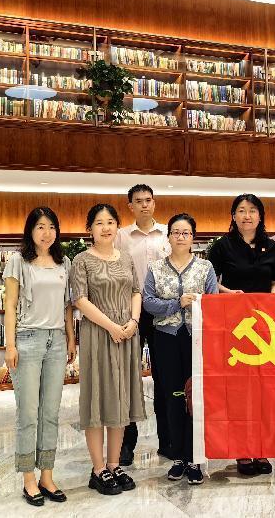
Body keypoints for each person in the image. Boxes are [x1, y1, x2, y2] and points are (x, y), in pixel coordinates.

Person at [3, 207, 77, 506]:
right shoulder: (18, 262)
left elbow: (68, 305)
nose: (47, 233)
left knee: (50, 412)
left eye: (51, 227)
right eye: (40, 227)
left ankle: (47, 475)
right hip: (28, 340)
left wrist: (71, 338)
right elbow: (10, 306)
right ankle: (28, 479)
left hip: (57, 341)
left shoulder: (64, 262)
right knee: (28, 413)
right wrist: (10, 345)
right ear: (30, 231)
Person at [71, 203, 147, 495]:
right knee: (98, 398)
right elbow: (80, 299)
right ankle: (98, 469)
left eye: (111, 222)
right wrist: (112, 327)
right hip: (98, 333)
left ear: (117, 226)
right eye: (99, 223)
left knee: (120, 399)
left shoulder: (126, 257)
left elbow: (136, 291)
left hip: (126, 332)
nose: (106, 228)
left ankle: (114, 465)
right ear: (90, 229)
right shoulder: (81, 260)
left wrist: (133, 321)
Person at [208, 193, 275, 476]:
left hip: (266, 326)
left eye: (252, 210)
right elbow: (210, 282)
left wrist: (268, 302)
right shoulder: (222, 246)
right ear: (233, 216)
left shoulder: (270, 246)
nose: (247, 215)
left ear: (260, 216)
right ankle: (242, 450)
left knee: (265, 392)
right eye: (241, 210)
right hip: (234, 327)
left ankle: (262, 449)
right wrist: (231, 294)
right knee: (239, 392)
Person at [143, 213, 219, 485]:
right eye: (176, 232)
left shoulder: (205, 267)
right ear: (169, 237)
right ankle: (177, 456)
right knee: (172, 395)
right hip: (166, 339)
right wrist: (177, 303)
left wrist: (197, 302)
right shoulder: (155, 268)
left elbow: (213, 302)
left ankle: (195, 457)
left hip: (196, 339)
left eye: (186, 233)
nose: (180, 237)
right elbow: (148, 303)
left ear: (193, 237)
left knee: (195, 397)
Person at [115, 184, 172, 464]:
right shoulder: (121, 236)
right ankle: (127, 443)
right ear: (131, 206)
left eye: (148, 200)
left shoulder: (168, 234)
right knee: (129, 378)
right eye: (138, 201)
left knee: (164, 377)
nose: (144, 205)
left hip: (163, 312)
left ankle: (168, 440)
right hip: (131, 313)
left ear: (154, 203)